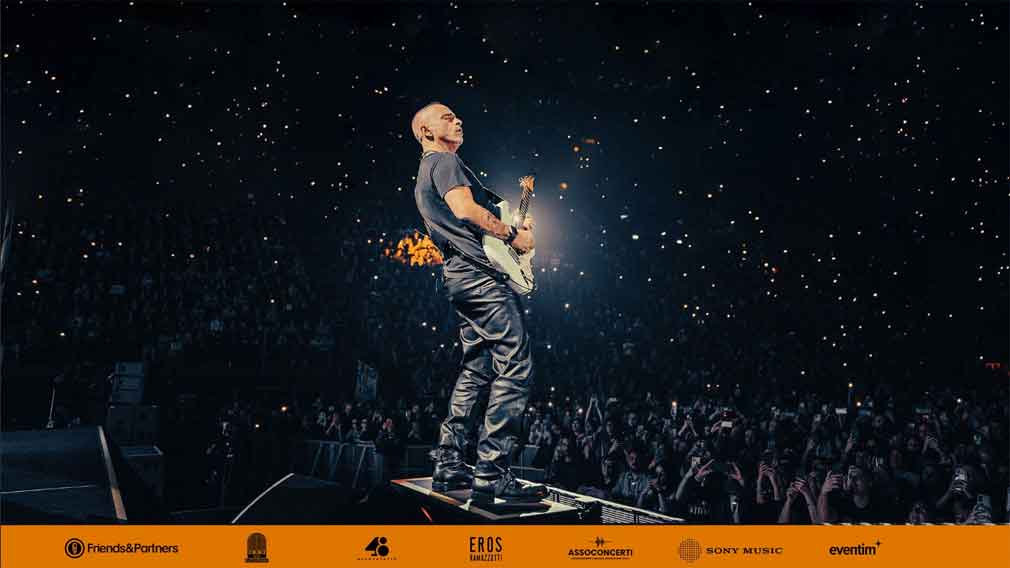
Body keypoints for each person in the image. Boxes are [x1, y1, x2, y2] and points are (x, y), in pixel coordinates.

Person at [410, 102, 545, 504]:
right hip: (480, 279)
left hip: (459, 278)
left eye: (457, 116)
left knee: (476, 368)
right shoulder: (445, 161)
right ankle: (492, 472)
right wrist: (514, 236)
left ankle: (449, 465)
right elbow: (466, 210)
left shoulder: (425, 174)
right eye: (446, 117)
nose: (457, 120)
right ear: (426, 132)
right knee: (515, 364)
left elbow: (461, 224)